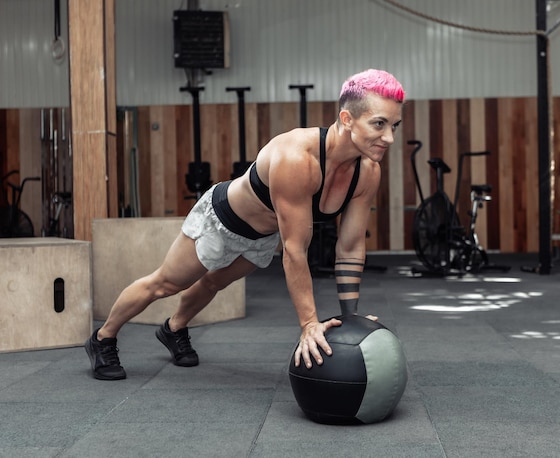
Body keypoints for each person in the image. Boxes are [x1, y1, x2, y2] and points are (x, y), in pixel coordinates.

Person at [85, 69, 405, 380]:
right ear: (347, 119)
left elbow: (349, 247)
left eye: (394, 125)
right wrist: (309, 324)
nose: (389, 137)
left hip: (262, 235)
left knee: (214, 284)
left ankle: (173, 329)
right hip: (222, 219)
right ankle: (103, 338)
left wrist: (349, 319)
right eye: (379, 124)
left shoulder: (367, 172)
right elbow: (295, 251)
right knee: (165, 284)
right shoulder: (297, 158)